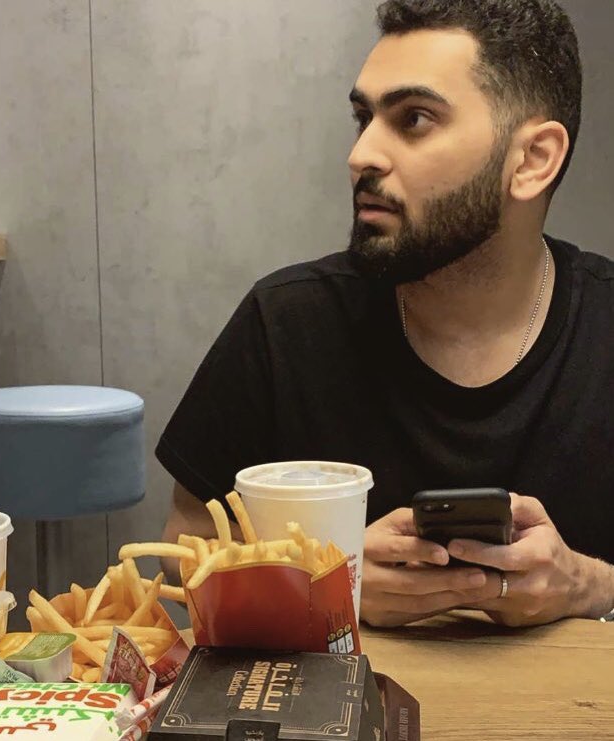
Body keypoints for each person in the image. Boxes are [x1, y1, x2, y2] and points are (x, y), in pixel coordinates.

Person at [156, 0, 614, 628]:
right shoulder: (286, 323)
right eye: (363, 118)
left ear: (532, 160)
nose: (362, 154)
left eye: (414, 119)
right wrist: (325, 584)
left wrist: (590, 585)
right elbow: (179, 553)